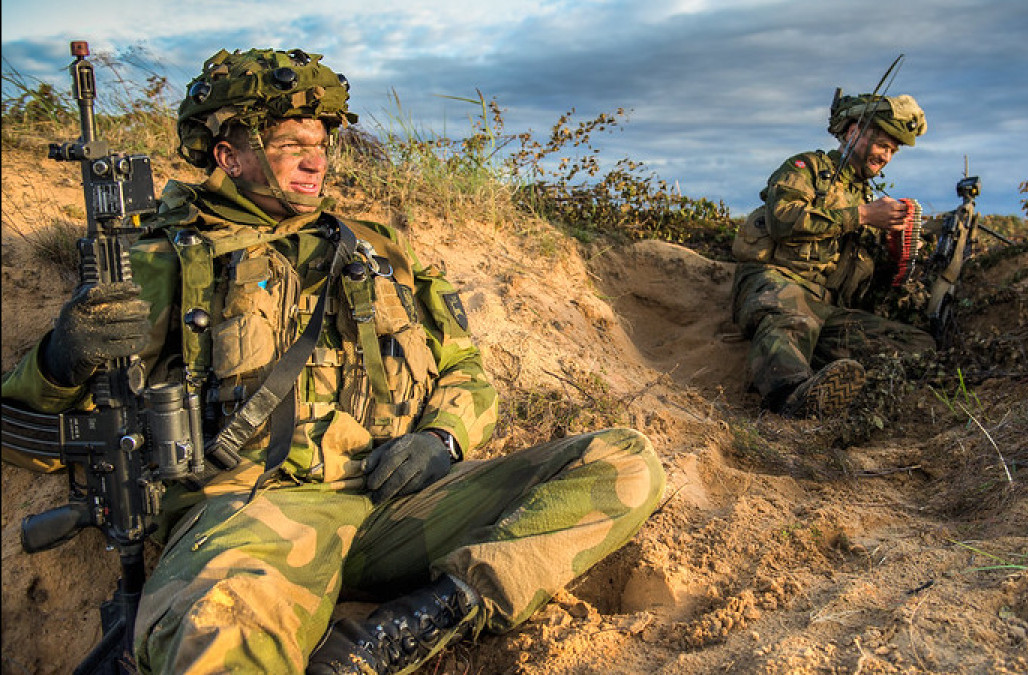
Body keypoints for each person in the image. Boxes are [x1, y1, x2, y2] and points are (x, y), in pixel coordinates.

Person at [1, 47, 664, 674]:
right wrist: (63, 355)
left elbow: (463, 366)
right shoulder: (166, 258)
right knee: (222, 626)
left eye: (321, 143)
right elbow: (38, 431)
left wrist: (443, 437)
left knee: (625, 462)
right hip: (253, 519)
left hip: (397, 502)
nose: (315, 160)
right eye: (292, 143)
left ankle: (413, 624)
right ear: (229, 154)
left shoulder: (380, 249)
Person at [730, 91, 936, 418]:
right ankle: (792, 396)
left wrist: (897, 248)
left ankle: (837, 389)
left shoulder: (867, 197)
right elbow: (783, 218)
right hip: (778, 282)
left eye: (893, 151)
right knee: (790, 318)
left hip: (826, 309)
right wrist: (864, 216)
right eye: (883, 144)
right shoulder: (808, 168)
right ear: (853, 132)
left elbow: (867, 282)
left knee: (915, 345)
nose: (886, 156)